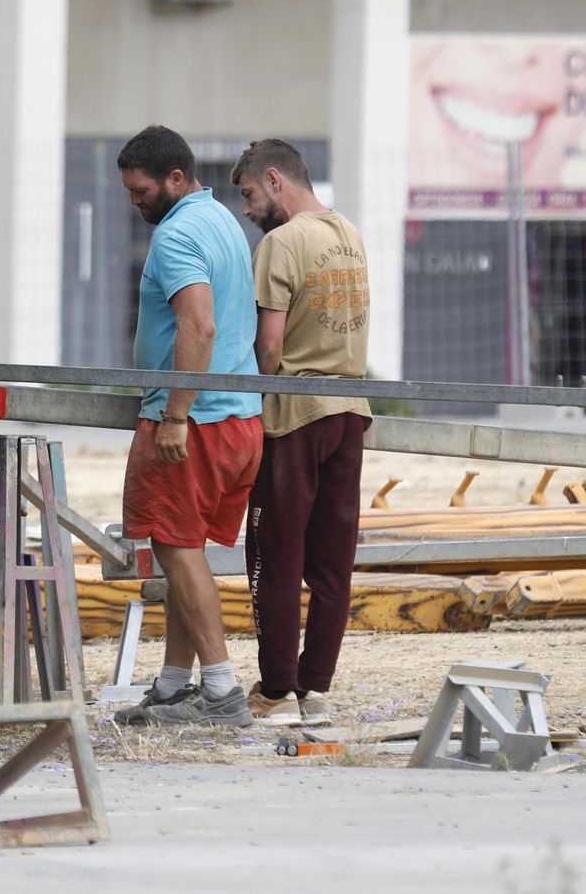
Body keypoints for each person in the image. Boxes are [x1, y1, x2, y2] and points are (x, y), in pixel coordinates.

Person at [111, 126, 263, 727]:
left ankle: (222, 691)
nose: (134, 201)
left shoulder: (176, 236)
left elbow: (197, 328)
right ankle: (176, 686)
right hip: (236, 417)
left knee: (175, 547)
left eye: (141, 190)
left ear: (175, 178)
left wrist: (174, 414)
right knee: (184, 552)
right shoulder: (223, 220)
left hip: (193, 421)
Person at [231, 138, 371, 728]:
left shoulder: (281, 242)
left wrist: (252, 395)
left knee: (275, 555)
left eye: (247, 194)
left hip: (294, 412)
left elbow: (270, 343)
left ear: (273, 180)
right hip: (350, 409)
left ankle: (277, 690)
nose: (246, 209)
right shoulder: (349, 234)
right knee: (333, 562)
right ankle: (317, 690)